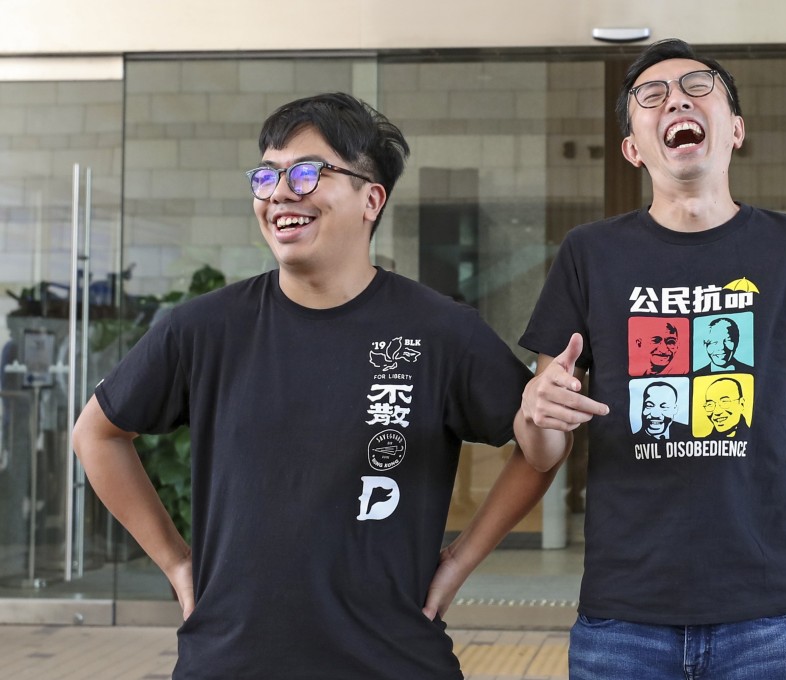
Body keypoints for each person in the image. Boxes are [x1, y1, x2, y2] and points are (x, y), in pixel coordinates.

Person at [71, 92, 564, 680]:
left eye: (307, 172)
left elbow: (538, 451)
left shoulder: (440, 331)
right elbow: (96, 434)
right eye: (267, 175)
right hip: (231, 660)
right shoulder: (203, 329)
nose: (281, 192)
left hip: (392, 660)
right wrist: (178, 563)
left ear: (370, 199)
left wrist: (459, 560)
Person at [515, 39, 786, 680]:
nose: (676, 98)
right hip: (623, 619)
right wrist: (535, 411)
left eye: (697, 85)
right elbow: (543, 449)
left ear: (736, 129)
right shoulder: (589, 255)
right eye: (651, 96)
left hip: (772, 617)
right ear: (633, 147)